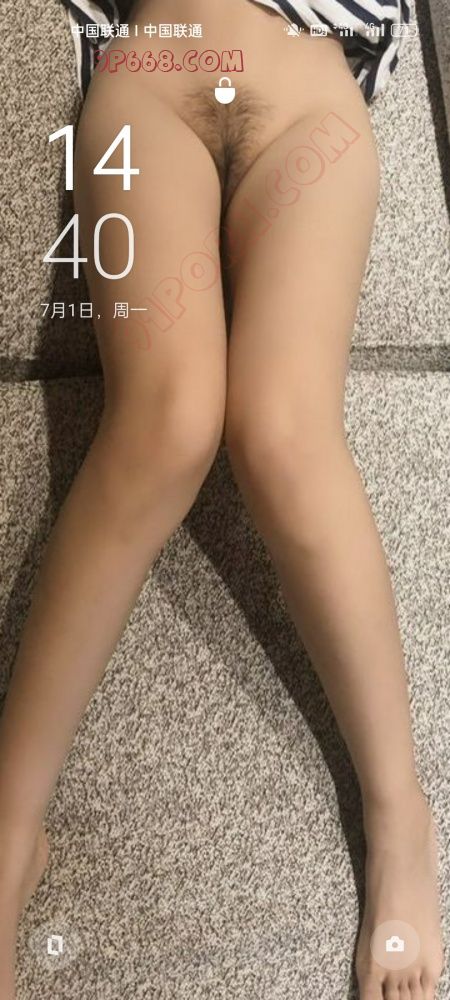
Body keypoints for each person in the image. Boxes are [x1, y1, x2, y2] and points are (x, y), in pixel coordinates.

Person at [0, 1, 443, 998]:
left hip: (307, 100)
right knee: (163, 424)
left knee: (285, 434)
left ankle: (399, 812)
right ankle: (8, 827)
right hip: (149, 86)